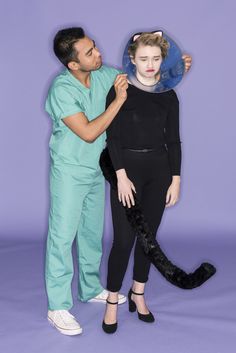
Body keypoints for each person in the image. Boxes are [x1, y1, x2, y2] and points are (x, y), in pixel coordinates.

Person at [45, 27, 192, 336]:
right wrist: (119, 100)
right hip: (71, 170)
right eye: (89, 52)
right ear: (73, 64)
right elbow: (88, 133)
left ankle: (89, 288)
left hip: (102, 169)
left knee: (90, 233)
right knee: (62, 236)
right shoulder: (61, 89)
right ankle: (58, 306)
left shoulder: (103, 74)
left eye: (95, 47)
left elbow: (144, 70)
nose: (98, 53)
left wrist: (176, 67)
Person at [102, 32, 182, 334]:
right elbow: (114, 137)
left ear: (163, 59)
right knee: (123, 240)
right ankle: (113, 299)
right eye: (144, 58)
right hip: (127, 172)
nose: (150, 65)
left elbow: (173, 140)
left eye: (156, 59)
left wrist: (175, 178)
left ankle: (138, 292)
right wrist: (120, 175)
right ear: (132, 59)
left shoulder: (169, 95)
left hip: (159, 172)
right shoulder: (121, 90)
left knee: (148, 241)